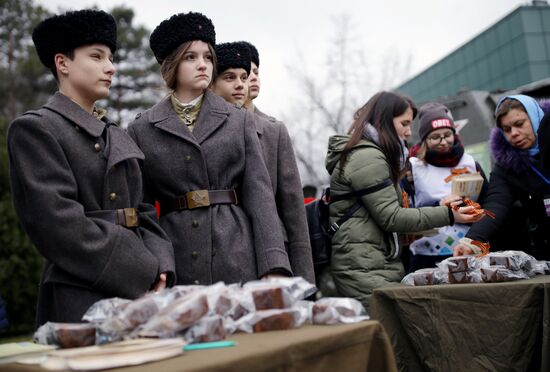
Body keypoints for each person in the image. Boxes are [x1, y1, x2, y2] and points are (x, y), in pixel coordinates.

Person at [7, 10, 175, 326]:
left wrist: (162, 266)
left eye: (110, 58)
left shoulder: (116, 132)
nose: (110, 68)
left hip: (142, 294)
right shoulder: (35, 129)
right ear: (63, 63)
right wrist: (142, 269)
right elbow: (59, 225)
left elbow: (143, 210)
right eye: (97, 57)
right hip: (81, 297)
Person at [127, 13, 292, 286]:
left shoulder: (238, 119)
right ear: (171, 64)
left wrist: (273, 264)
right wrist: (160, 264)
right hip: (176, 258)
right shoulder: (141, 128)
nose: (203, 65)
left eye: (207, 57)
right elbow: (142, 208)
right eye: (191, 57)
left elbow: (260, 197)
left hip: (237, 254)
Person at [325, 91, 484, 309]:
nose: (409, 132)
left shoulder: (369, 153)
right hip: (364, 266)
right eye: (405, 123)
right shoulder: (368, 157)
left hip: (371, 261)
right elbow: (391, 217)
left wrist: (439, 208)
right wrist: (447, 214)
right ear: (385, 121)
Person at [214, 41, 314, 284]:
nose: (249, 80)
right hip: (224, 249)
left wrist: (305, 280)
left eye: (252, 73)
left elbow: (293, 209)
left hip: (273, 251)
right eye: (233, 75)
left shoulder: (272, 131)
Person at [454, 95, 550, 260]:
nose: (514, 133)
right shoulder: (506, 167)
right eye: (506, 129)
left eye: (519, 124)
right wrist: (471, 241)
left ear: (536, 118)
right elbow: (495, 206)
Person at [403, 102, 488, 271]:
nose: (443, 142)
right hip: (426, 254)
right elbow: (405, 212)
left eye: (447, 135)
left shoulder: (471, 163)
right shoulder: (413, 167)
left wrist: (468, 208)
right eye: (435, 137)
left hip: (467, 250)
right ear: (425, 140)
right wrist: (440, 207)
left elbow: (488, 204)